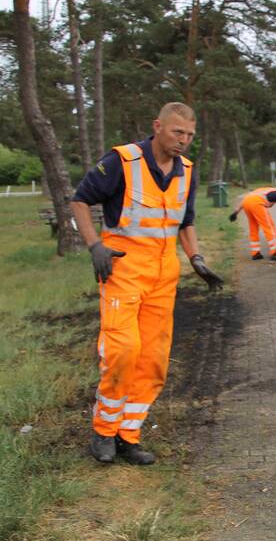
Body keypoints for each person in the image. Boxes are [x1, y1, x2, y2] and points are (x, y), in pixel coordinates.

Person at [71, 102, 224, 466]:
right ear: (158, 126)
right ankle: (103, 432)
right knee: (123, 350)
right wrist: (95, 246)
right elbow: (80, 202)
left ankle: (129, 435)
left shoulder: (187, 170)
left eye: (189, 135)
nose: (183, 141)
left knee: (153, 359)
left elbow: (185, 221)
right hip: (122, 271)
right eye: (177, 133)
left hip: (163, 276)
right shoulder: (121, 161)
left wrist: (196, 258)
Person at [228, 186, 276, 261]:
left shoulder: (263, 191)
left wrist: (236, 212)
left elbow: (246, 200)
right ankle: (275, 252)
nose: (270, 206)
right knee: (269, 227)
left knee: (253, 228)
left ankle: (255, 253)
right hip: (257, 204)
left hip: (246, 203)